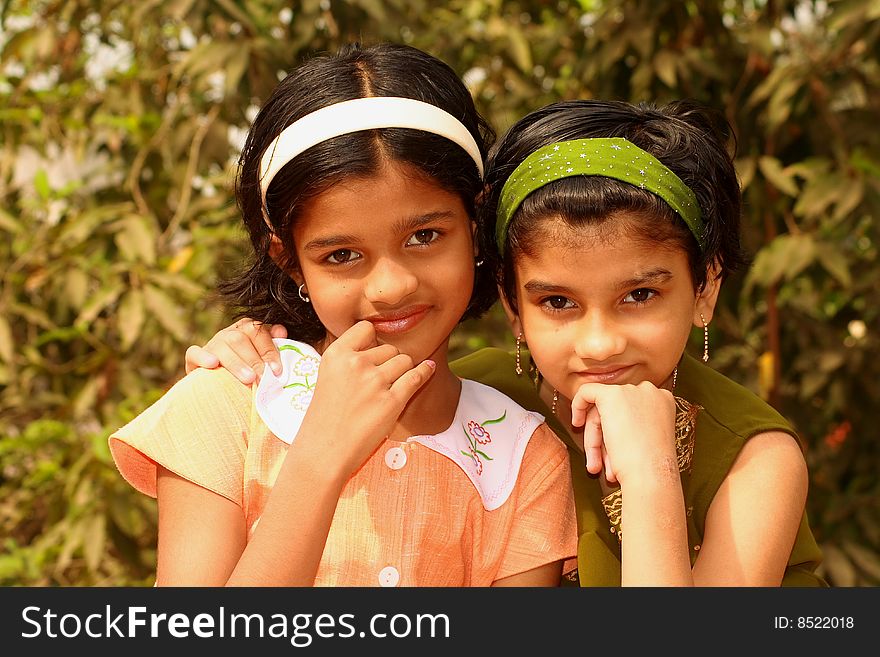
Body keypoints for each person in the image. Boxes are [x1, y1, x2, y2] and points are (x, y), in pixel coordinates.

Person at [187, 98, 827, 586]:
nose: (599, 343)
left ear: (705, 288)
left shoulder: (757, 462)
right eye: (557, 303)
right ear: (513, 311)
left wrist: (652, 474)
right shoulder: (488, 397)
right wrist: (256, 355)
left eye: (639, 296)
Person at [108, 42, 578, 587]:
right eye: (341, 255)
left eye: (425, 236)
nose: (391, 286)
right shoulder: (227, 406)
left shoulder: (522, 458)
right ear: (290, 260)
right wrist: (318, 460)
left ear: (475, 225)